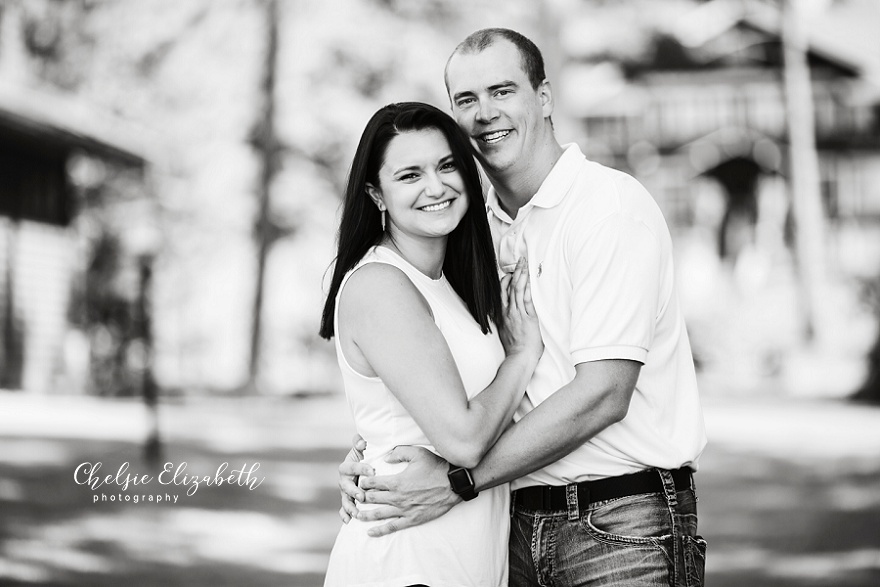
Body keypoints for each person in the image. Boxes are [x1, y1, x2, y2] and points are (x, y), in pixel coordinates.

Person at [338, 28, 708, 587]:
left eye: (502, 90)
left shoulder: (607, 209)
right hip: (512, 521)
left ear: (543, 97)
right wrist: (378, 453)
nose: (485, 112)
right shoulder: (468, 225)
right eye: (466, 99)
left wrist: (459, 480)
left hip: (620, 520)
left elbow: (604, 393)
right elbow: (434, 371)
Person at [319, 101, 544, 586]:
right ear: (376, 194)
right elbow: (463, 440)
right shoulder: (380, 283)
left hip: (458, 556)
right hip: (407, 560)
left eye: (446, 166)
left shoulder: (447, 285)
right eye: (409, 175)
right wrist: (521, 357)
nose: (436, 187)